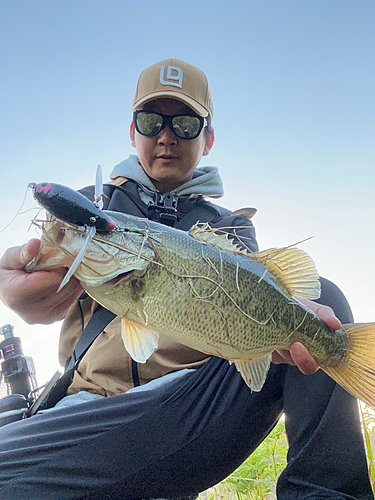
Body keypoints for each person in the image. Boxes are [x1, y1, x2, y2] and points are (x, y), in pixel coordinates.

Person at [0, 58, 372, 500]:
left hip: (191, 407)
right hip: (87, 409)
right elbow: (33, 288)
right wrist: (18, 286)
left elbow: (259, 312)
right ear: (132, 130)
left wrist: (280, 326)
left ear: (208, 137)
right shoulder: (87, 212)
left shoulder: (230, 227)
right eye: (152, 119)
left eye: (185, 124)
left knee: (322, 306)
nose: (166, 136)